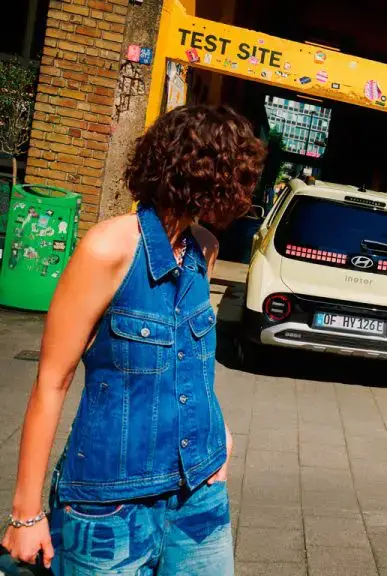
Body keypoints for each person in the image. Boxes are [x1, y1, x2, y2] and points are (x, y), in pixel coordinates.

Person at [1, 105, 265, 574]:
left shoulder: (204, 249)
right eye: (237, 175)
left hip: (199, 495)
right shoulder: (107, 249)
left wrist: (218, 432)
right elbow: (51, 382)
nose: (243, 192)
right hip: (110, 506)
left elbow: (189, 359)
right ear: (204, 174)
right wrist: (26, 513)